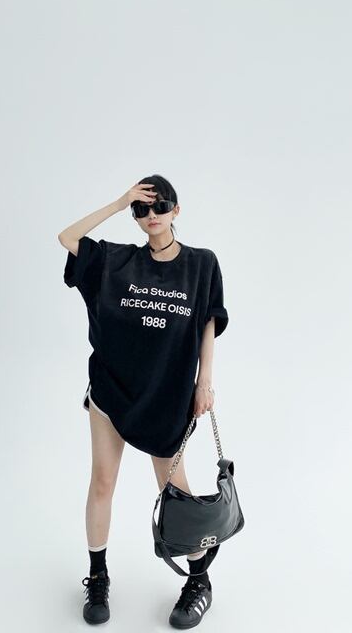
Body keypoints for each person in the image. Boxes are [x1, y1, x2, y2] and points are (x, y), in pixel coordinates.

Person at [58, 174, 229, 628]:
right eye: (142, 209)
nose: (151, 215)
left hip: (166, 394)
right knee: (102, 482)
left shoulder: (201, 264)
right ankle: (98, 576)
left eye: (160, 206)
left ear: (176, 211)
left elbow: (209, 321)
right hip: (111, 390)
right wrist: (118, 202)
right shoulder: (116, 261)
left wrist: (205, 381)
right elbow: (68, 237)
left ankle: (199, 581)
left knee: (176, 492)